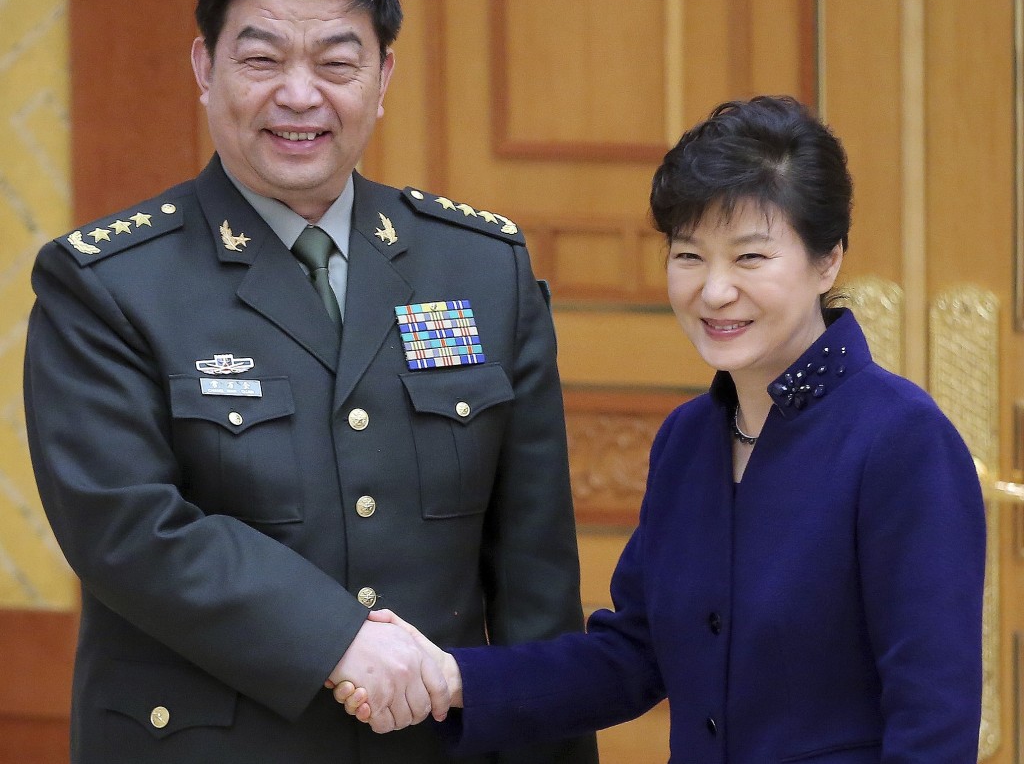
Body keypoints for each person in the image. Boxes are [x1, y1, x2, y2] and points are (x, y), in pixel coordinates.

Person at [23, 0, 597, 764]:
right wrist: (336, 637)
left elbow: (535, 576)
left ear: (383, 74)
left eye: (336, 62)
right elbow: (128, 528)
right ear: (203, 67)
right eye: (261, 59)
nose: (301, 95)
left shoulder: (480, 267)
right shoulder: (108, 283)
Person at [339, 95, 987, 762]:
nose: (713, 291)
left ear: (828, 260)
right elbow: (633, 656)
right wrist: (452, 678)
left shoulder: (903, 441)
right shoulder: (689, 440)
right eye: (689, 255)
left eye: (751, 257)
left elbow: (933, 726)